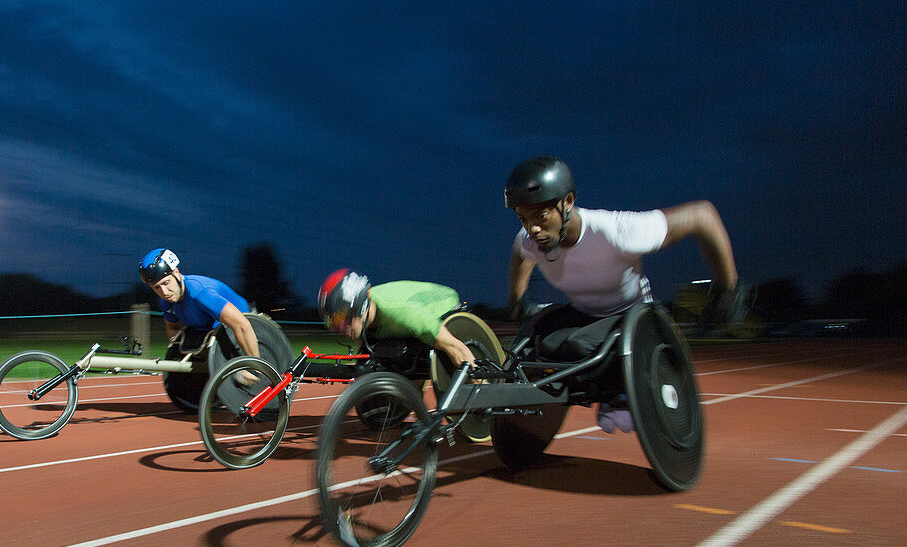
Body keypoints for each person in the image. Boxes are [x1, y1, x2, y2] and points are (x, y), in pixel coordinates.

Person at [503, 155, 747, 433]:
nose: (532, 229)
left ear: (567, 201)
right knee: (534, 344)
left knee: (577, 346)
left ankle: (617, 390)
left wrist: (727, 289)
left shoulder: (617, 232)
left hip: (632, 316)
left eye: (541, 216)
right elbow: (519, 255)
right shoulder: (531, 239)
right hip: (584, 313)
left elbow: (702, 215)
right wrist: (517, 297)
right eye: (523, 219)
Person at [317, 269, 478, 368]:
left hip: (442, 305)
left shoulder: (401, 312)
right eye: (333, 322)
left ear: (358, 306)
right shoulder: (361, 323)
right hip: (406, 316)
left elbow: (458, 349)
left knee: (417, 353)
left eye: (340, 319)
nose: (339, 328)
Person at [139, 248, 261, 366]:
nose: (164, 292)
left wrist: (255, 367)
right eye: (157, 287)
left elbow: (242, 325)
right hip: (211, 332)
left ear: (176, 273)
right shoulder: (166, 301)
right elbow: (173, 329)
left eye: (166, 283)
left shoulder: (200, 293)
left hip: (245, 325)